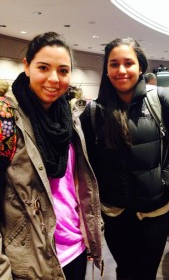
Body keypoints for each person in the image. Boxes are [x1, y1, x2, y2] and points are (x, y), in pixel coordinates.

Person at [80, 37, 169, 280]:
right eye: (114, 64)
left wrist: (165, 184)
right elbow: (87, 162)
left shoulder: (165, 101)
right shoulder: (94, 112)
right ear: (107, 69)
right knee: (125, 270)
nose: (121, 70)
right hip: (114, 214)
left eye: (128, 63)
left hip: (154, 214)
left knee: (145, 273)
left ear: (140, 66)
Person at [0, 32, 103, 280]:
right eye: (43, 67)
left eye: (63, 70)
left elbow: (76, 187)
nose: (54, 79)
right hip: (28, 263)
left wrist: (90, 233)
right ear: (27, 66)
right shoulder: (5, 119)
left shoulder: (70, 118)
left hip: (75, 250)